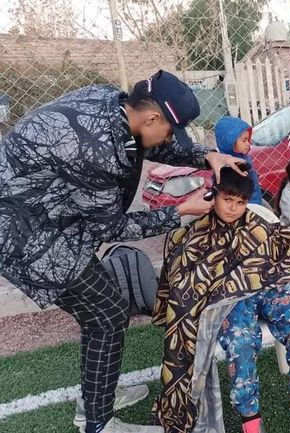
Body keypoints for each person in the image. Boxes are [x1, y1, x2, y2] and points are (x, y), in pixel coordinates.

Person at [0, 70, 245, 433]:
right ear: (150, 117)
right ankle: (97, 422)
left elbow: (155, 144)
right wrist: (180, 212)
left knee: (102, 311)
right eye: (169, 129)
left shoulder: (115, 104)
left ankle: (96, 396)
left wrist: (206, 156)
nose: (169, 138)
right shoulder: (95, 150)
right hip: (27, 235)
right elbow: (110, 228)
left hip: (48, 215)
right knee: (108, 311)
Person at [152, 167, 290, 433]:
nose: (233, 208)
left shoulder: (257, 225)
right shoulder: (199, 232)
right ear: (214, 195)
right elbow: (185, 275)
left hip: (270, 289)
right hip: (230, 300)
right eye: (227, 200)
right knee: (240, 340)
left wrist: (268, 272)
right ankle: (250, 418)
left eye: (240, 202)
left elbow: (279, 251)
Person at [215, 116, 266, 206]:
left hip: (254, 199)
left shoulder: (243, 157)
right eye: (244, 140)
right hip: (246, 204)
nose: (248, 143)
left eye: (248, 140)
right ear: (230, 141)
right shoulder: (234, 164)